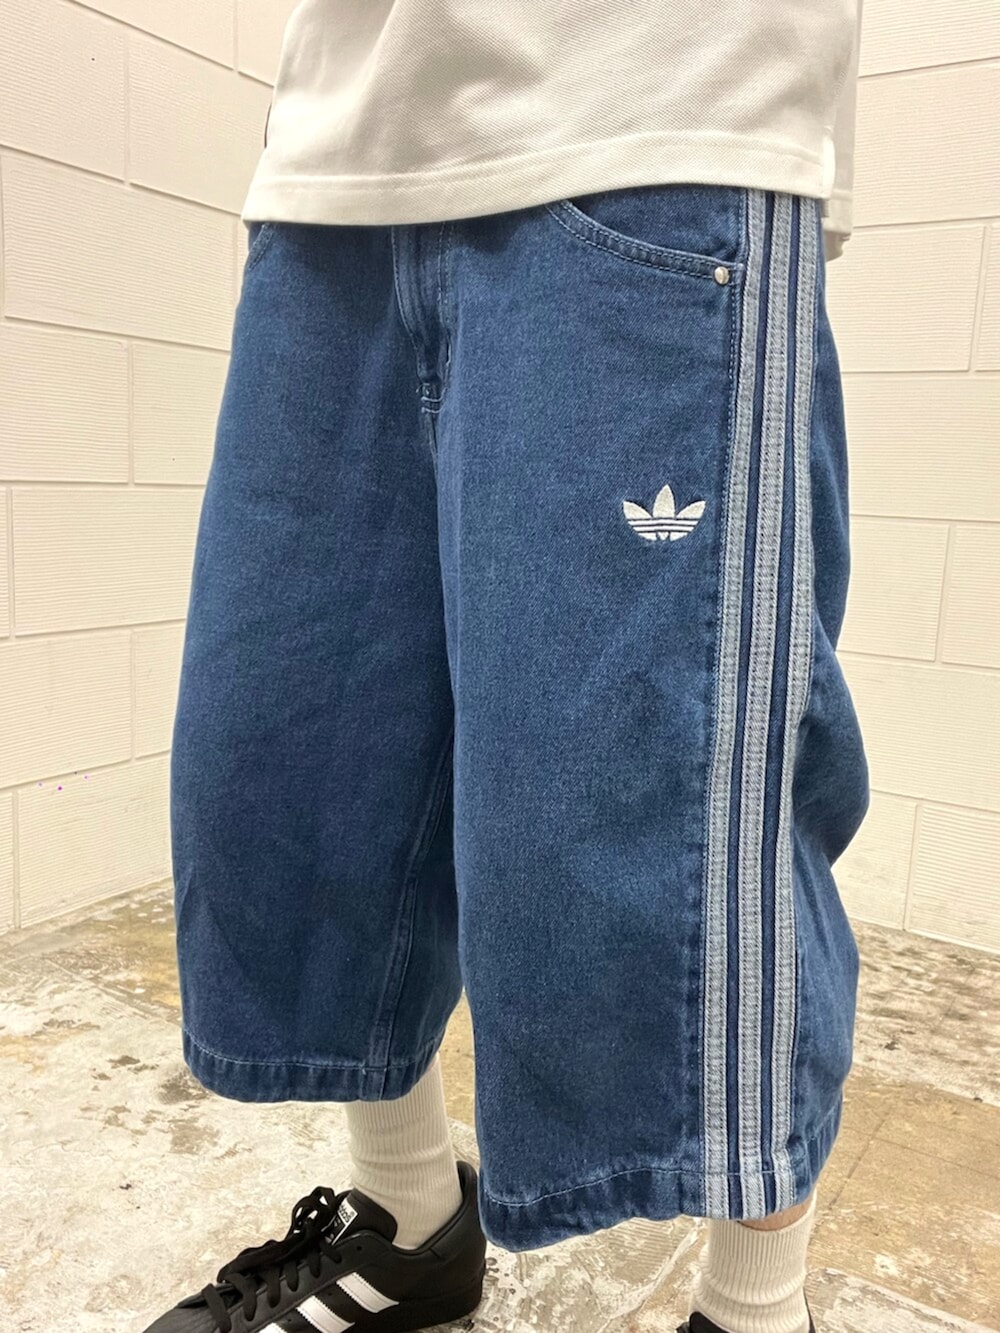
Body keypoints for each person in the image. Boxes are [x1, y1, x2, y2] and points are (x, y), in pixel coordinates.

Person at [147, 2, 868, 1331]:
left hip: (657, 116)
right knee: (295, 762)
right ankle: (412, 1222)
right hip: (339, 158)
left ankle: (759, 1308)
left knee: (643, 806)